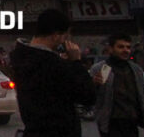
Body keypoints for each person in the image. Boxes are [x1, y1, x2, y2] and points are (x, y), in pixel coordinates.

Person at [10, 8, 95, 137]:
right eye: (65, 36)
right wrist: (76, 63)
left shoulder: (21, 57)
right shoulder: (53, 64)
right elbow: (88, 96)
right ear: (56, 35)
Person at [90, 34, 144, 137]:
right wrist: (94, 84)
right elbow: (88, 96)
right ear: (110, 49)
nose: (125, 50)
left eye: (128, 47)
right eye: (121, 47)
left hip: (131, 123)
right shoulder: (99, 69)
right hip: (110, 124)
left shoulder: (135, 70)